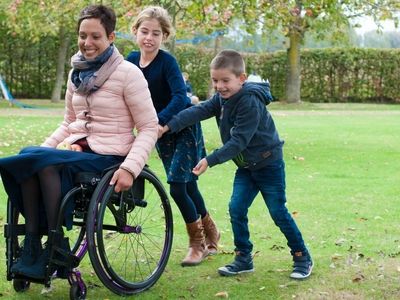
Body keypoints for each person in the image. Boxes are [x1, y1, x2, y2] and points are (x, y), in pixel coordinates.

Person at [0, 4, 158, 280]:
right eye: (82, 36)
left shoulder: (128, 74)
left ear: (111, 37)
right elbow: (68, 122)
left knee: (43, 165)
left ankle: (55, 242)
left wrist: (130, 168)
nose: (87, 43)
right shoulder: (78, 72)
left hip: (110, 159)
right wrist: (42, 150)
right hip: (79, 152)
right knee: (30, 158)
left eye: (95, 36)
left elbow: (148, 127)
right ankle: (35, 244)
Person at [161, 49, 313, 279]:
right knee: (236, 209)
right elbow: (198, 111)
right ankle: (243, 258)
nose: (219, 86)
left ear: (241, 79)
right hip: (246, 168)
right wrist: (168, 126)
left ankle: (302, 256)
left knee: (278, 212)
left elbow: (239, 141)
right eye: (215, 81)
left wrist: (209, 160)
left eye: (225, 81)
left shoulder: (249, 102)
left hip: (268, 166)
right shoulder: (221, 100)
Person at [126, 6, 219, 266]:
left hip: (182, 127)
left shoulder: (167, 62)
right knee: (188, 184)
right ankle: (212, 231)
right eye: (144, 31)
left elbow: (180, 96)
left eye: (156, 33)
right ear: (135, 32)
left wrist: (162, 123)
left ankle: (197, 244)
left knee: (178, 186)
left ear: (164, 37)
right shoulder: (130, 61)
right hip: (158, 132)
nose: (149, 37)